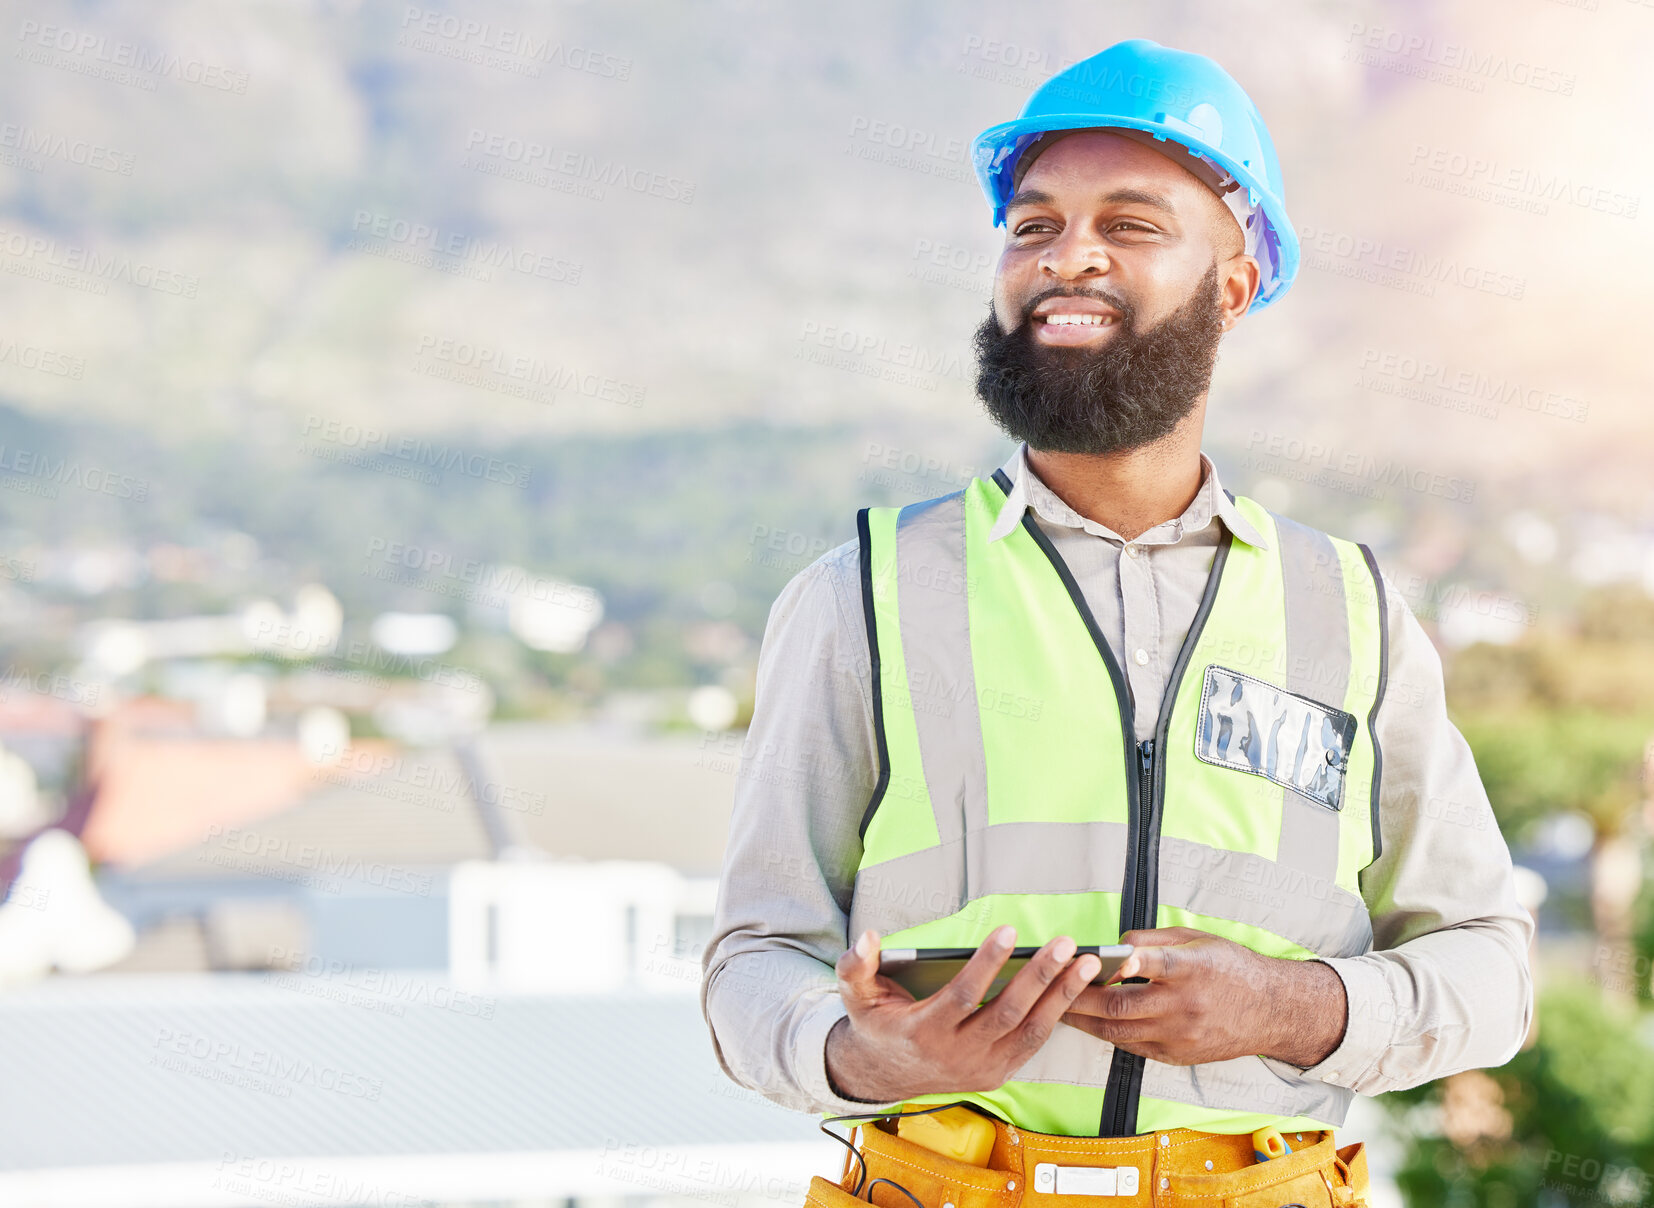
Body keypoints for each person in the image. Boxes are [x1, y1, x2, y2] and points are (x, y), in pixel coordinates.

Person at [701, 37, 1532, 1207]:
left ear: (1232, 285)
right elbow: (752, 958)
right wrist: (864, 1054)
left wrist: (1290, 1004)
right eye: (1033, 225)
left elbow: (1491, 969)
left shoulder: (1353, 613)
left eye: (1130, 225)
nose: (1066, 257)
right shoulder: (864, 595)